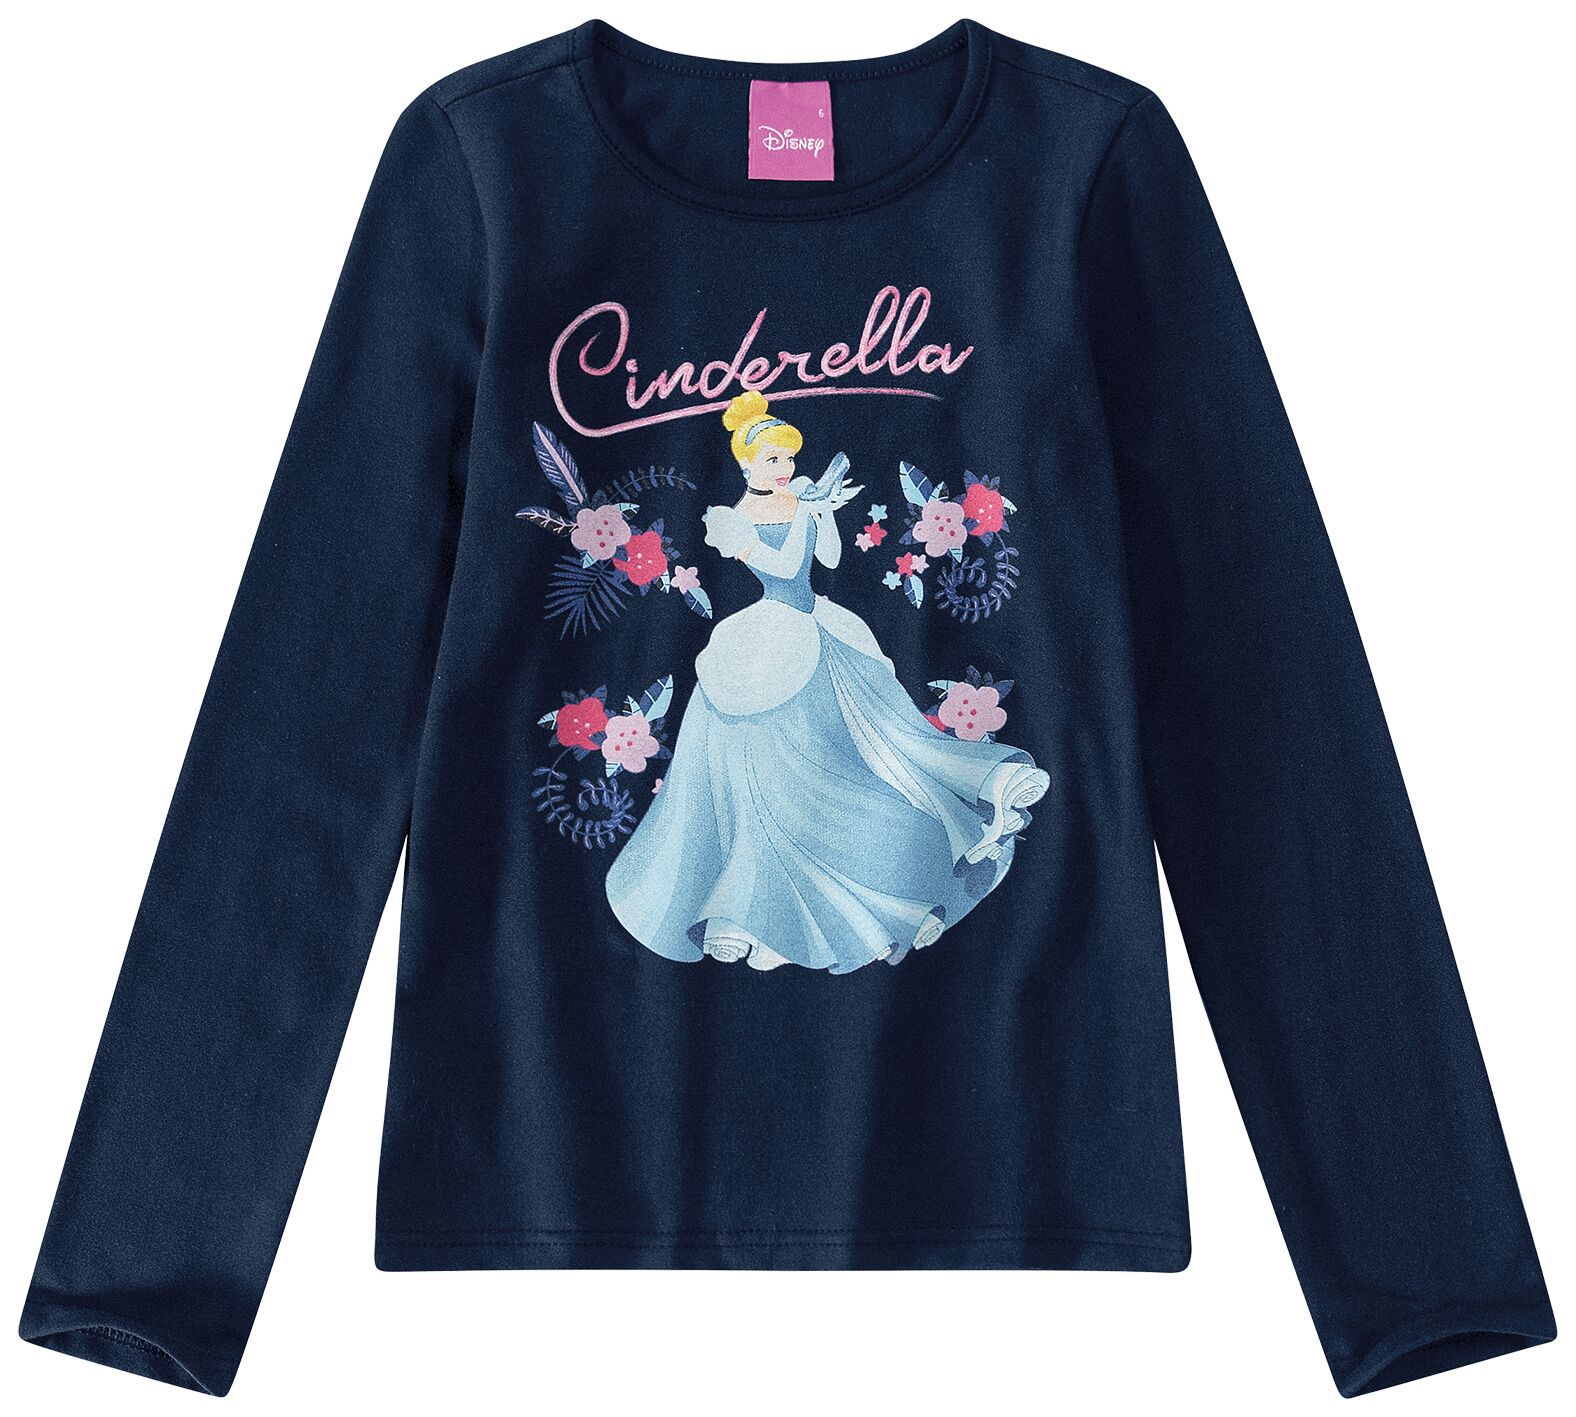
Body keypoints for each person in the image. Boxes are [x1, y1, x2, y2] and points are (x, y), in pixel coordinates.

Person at [604, 390, 1049, 973]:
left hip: (819, 621)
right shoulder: (734, 518)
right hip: (772, 632)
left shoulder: (797, 499)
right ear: (746, 464)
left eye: (788, 458)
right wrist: (804, 513)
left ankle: (969, 799)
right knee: (767, 776)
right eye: (772, 459)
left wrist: (824, 514)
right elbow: (782, 569)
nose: (784, 468)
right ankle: (756, 903)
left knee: (888, 738)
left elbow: (831, 561)